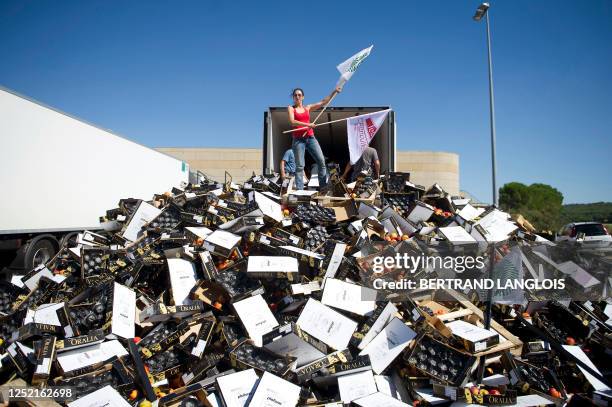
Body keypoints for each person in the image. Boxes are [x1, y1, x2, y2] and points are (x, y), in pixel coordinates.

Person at [287, 86, 342, 190]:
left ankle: (323, 188)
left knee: (321, 161)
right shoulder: (291, 108)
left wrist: (334, 91)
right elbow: (292, 122)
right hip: (298, 139)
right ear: (293, 97)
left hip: (310, 137)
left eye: (299, 95)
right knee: (299, 166)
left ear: (303, 97)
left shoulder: (307, 108)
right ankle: (300, 191)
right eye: (295, 95)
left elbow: (323, 102)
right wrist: (307, 125)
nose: (297, 97)